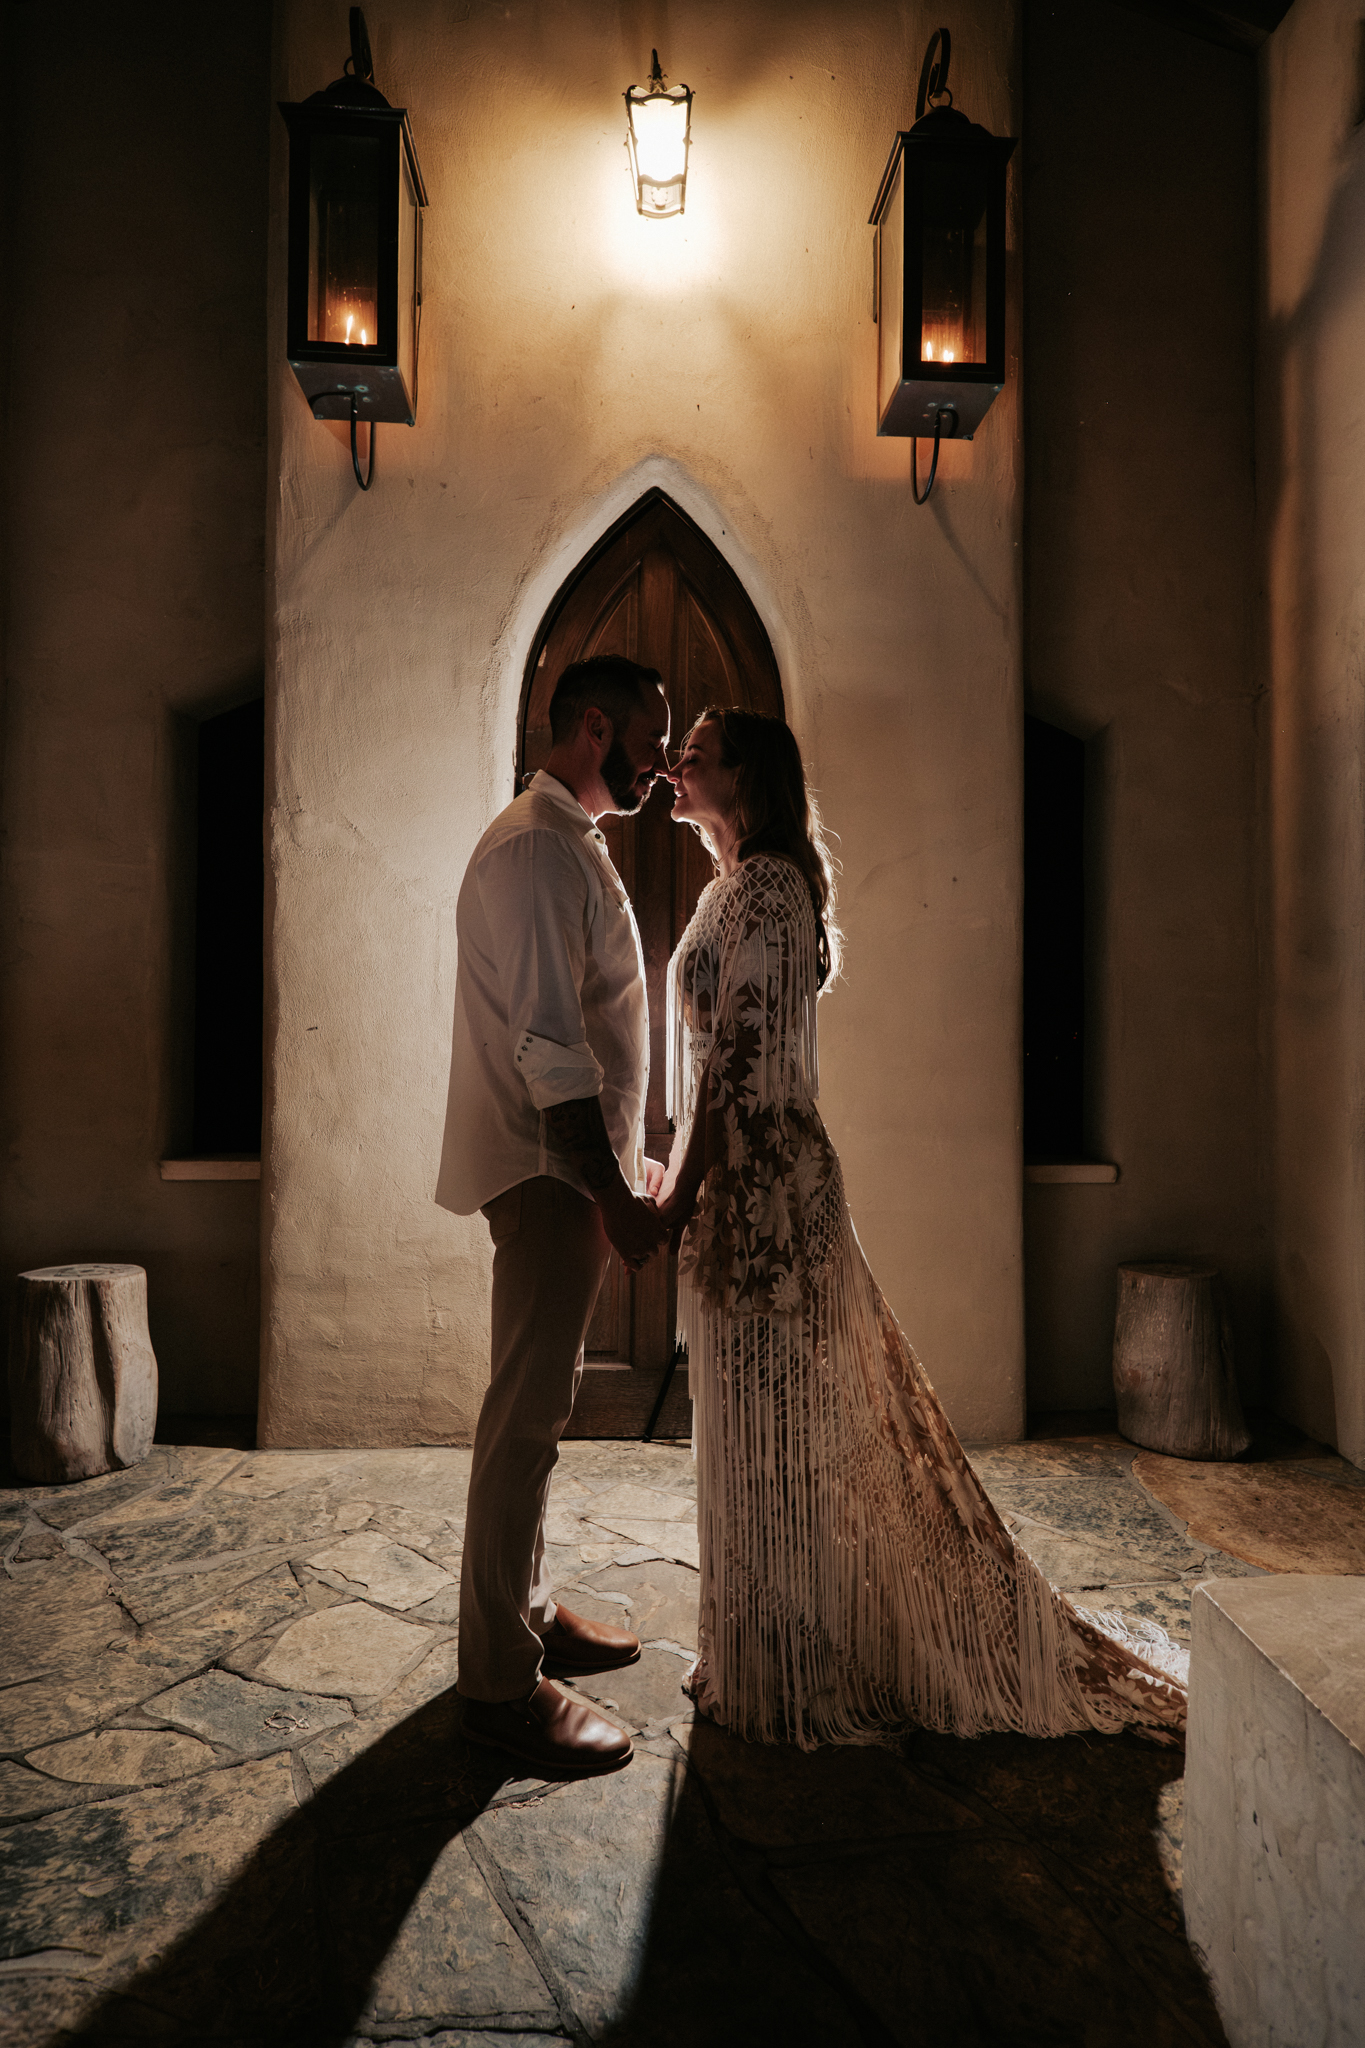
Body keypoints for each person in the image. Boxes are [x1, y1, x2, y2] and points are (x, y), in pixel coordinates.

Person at [655, 708, 1187, 1749]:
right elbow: (710, 1060)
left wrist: (678, 1194)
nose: (676, 765)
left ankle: (790, 1670)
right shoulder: (731, 887)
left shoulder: (768, 887)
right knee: (747, 1426)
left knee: (782, 1431)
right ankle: (756, 1652)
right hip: (738, 1185)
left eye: (696, 755)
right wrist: (678, 1173)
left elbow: (742, 1062)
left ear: (746, 778)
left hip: (769, 1196)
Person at [436, 654, 672, 1774]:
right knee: (523, 1421)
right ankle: (496, 1686)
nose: (661, 761)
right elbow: (547, 1043)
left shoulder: (568, 839)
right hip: (545, 1172)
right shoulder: (535, 848)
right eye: (650, 738)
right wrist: (612, 1193)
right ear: (595, 728)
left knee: (542, 1409)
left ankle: (525, 1612)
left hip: (567, 1169)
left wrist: (622, 1163)